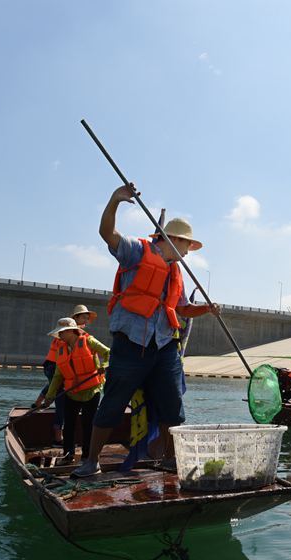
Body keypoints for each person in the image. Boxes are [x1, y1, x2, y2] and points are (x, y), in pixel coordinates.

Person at [71, 183, 219, 478]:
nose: (190, 252)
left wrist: (206, 309)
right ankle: (91, 461)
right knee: (112, 403)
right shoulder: (137, 251)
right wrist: (114, 200)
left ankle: (169, 459)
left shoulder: (177, 272)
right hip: (130, 346)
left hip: (164, 347)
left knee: (173, 405)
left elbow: (181, 309)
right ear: (173, 239)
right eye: (188, 245)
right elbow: (107, 234)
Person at [37, 317, 110, 464]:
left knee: (88, 424)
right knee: (69, 425)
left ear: (71, 331)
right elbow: (58, 376)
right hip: (71, 392)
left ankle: (87, 457)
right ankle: (68, 456)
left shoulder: (89, 342)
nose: (60, 336)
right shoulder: (61, 349)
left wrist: (106, 365)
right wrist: (50, 397)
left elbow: (108, 353)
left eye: (62, 332)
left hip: (91, 390)